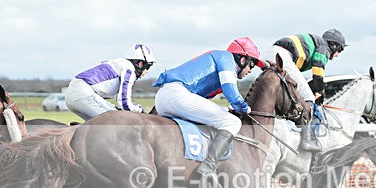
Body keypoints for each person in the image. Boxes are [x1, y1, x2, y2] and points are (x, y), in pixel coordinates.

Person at [153, 37, 264, 177]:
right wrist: (245, 109)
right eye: (252, 65)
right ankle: (208, 167)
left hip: (164, 98)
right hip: (177, 95)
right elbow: (233, 94)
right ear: (243, 60)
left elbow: (201, 104)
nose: (250, 71)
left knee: (219, 117)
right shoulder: (226, 59)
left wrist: (225, 110)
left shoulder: (219, 60)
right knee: (233, 122)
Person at [265, 29, 347, 151]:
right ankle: (307, 140)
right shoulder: (324, 47)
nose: (337, 54)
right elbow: (318, 75)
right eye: (339, 50)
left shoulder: (318, 44)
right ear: (333, 45)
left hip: (273, 55)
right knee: (308, 97)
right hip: (283, 57)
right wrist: (321, 92)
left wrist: (317, 89)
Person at [64, 43, 156, 121]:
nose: (147, 71)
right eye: (148, 66)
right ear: (141, 63)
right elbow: (125, 103)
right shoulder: (129, 69)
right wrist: (140, 110)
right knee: (119, 122)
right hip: (83, 94)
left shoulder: (118, 63)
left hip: (72, 94)